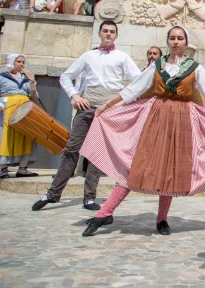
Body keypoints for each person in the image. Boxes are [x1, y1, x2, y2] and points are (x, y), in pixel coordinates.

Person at [79, 26, 205, 236]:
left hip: (182, 121)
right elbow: (134, 89)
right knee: (137, 165)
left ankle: (162, 218)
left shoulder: (194, 68)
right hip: (155, 118)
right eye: (172, 38)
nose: (176, 42)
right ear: (168, 42)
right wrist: (106, 105)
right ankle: (104, 213)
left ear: (185, 42)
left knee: (171, 170)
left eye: (180, 38)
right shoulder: (157, 65)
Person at [32, 20, 141, 212]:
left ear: (116, 35)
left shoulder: (122, 57)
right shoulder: (89, 56)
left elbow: (138, 82)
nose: (108, 34)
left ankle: (89, 197)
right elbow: (66, 76)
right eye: (105, 31)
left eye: (112, 32)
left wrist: (122, 102)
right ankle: (53, 193)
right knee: (72, 148)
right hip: (88, 104)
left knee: (97, 153)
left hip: (108, 109)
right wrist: (74, 95)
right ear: (99, 33)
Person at [0, 54, 39, 178]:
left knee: (25, 136)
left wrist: (33, 85)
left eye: (22, 62)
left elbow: (34, 97)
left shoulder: (26, 79)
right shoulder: (2, 77)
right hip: (7, 109)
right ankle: (3, 169)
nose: (21, 64)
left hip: (24, 110)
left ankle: (22, 169)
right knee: (6, 137)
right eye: (18, 62)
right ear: (12, 62)